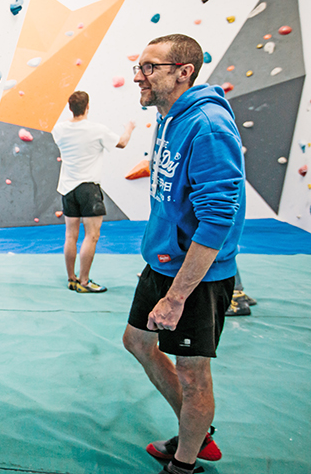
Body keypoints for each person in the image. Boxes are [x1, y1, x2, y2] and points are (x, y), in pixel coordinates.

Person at [122, 34, 245, 474]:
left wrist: (176, 297)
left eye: (149, 67)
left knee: (192, 373)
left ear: (183, 72)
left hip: (197, 275)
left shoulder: (208, 126)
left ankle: (184, 464)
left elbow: (218, 219)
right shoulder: (169, 117)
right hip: (162, 259)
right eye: (139, 66)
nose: (139, 76)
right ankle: (198, 431)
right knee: (137, 341)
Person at [51, 91, 135, 293]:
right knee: (92, 236)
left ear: (70, 108)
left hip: (68, 189)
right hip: (88, 189)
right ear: (87, 107)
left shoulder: (59, 129)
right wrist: (129, 128)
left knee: (70, 236)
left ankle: (71, 279)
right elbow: (122, 143)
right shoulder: (97, 130)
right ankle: (84, 282)